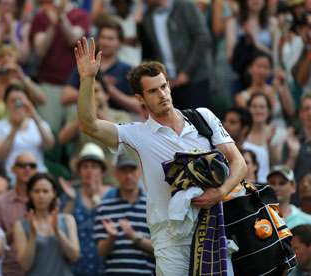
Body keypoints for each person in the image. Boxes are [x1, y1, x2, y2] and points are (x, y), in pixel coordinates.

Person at [75, 37, 246, 275]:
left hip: (214, 229)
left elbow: (239, 162)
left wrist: (221, 191)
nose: (162, 94)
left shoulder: (203, 117)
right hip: (170, 239)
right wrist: (88, 79)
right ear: (140, 98)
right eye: (153, 91)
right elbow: (89, 125)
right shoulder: (136, 134)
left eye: (164, 86)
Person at [59, 74, 131, 187]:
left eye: (96, 91)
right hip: (82, 181)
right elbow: (62, 139)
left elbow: (126, 134)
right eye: (88, 93)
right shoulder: (78, 117)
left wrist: (97, 113)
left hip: (111, 181)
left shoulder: (120, 115)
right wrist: (85, 114)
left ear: (106, 95)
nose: (92, 96)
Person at [30, 0, 91, 132]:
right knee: (49, 129)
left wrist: (61, 17)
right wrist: (52, 24)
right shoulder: (40, 17)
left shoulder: (81, 15)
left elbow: (72, 39)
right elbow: (41, 50)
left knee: (77, 130)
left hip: (75, 85)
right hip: (48, 83)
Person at [140, 0, 212, 110]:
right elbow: (151, 51)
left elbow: (202, 38)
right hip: (168, 84)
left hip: (195, 80)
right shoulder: (148, 15)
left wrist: (186, 72)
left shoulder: (185, 6)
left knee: (198, 122)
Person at [94, 154, 155, 275]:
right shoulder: (104, 208)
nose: (128, 176)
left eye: (132, 170)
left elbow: (161, 250)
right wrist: (112, 237)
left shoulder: (152, 207)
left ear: (139, 173)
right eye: (123, 171)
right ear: (116, 174)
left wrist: (134, 236)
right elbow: (101, 253)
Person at [63, 20, 140, 114]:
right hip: (87, 118)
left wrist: (110, 90)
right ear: (98, 39)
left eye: (110, 39)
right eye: (103, 37)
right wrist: (92, 87)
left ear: (120, 42)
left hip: (117, 122)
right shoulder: (87, 65)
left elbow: (139, 105)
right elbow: (65, 97)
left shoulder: (127, 70)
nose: (106, 43)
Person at [60, 142, 114, 276]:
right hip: (77, 264)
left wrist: (97, 200)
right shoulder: (71, 195)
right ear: (79, 171)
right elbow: (61, 226)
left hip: (108, 264)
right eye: (85, 167)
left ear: (102, 171)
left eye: (94, 167)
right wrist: (71, 200)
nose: (89, 171)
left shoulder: (114, 194)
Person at [13, 173, 80, 275]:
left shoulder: (67, 220)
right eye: (37, 191)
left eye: (45, 191)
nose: (41, 196)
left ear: (54, 193)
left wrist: (57, 231)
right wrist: (33, 236)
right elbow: (25, 265)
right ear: (30, 194)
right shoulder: (21, 224)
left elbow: (75, 256)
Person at [0, 84, 55, 186]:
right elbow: (1, 156)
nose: (17, 104)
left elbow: (50, 145)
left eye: (20, 100)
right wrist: (15, 128)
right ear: (5, 104)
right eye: (12, 101)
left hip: (38, 178)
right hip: (11, 179)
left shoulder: (39, 123)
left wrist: (35, 116)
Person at [0, 152, 38, 276]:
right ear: (13, 169)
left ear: (37, 170)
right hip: (10, 270)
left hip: (41, 268)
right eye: (22, 165)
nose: (27, 169)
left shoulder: (47, 200)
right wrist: (18, 227)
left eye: (32, 165)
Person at [266, 165, 311, 229]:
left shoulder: (307, 221)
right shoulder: (258, 217)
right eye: (272, 183)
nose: (276, 188)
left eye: (282, 183)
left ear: (293, 187)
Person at [243, 92, 274, 183]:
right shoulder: (241, 133)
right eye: (254, 107)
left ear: (269, 111)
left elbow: (279, 164)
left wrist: (270, 146)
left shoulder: (279, 134)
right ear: (248, 110)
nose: (258, 111)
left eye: (262, 107)